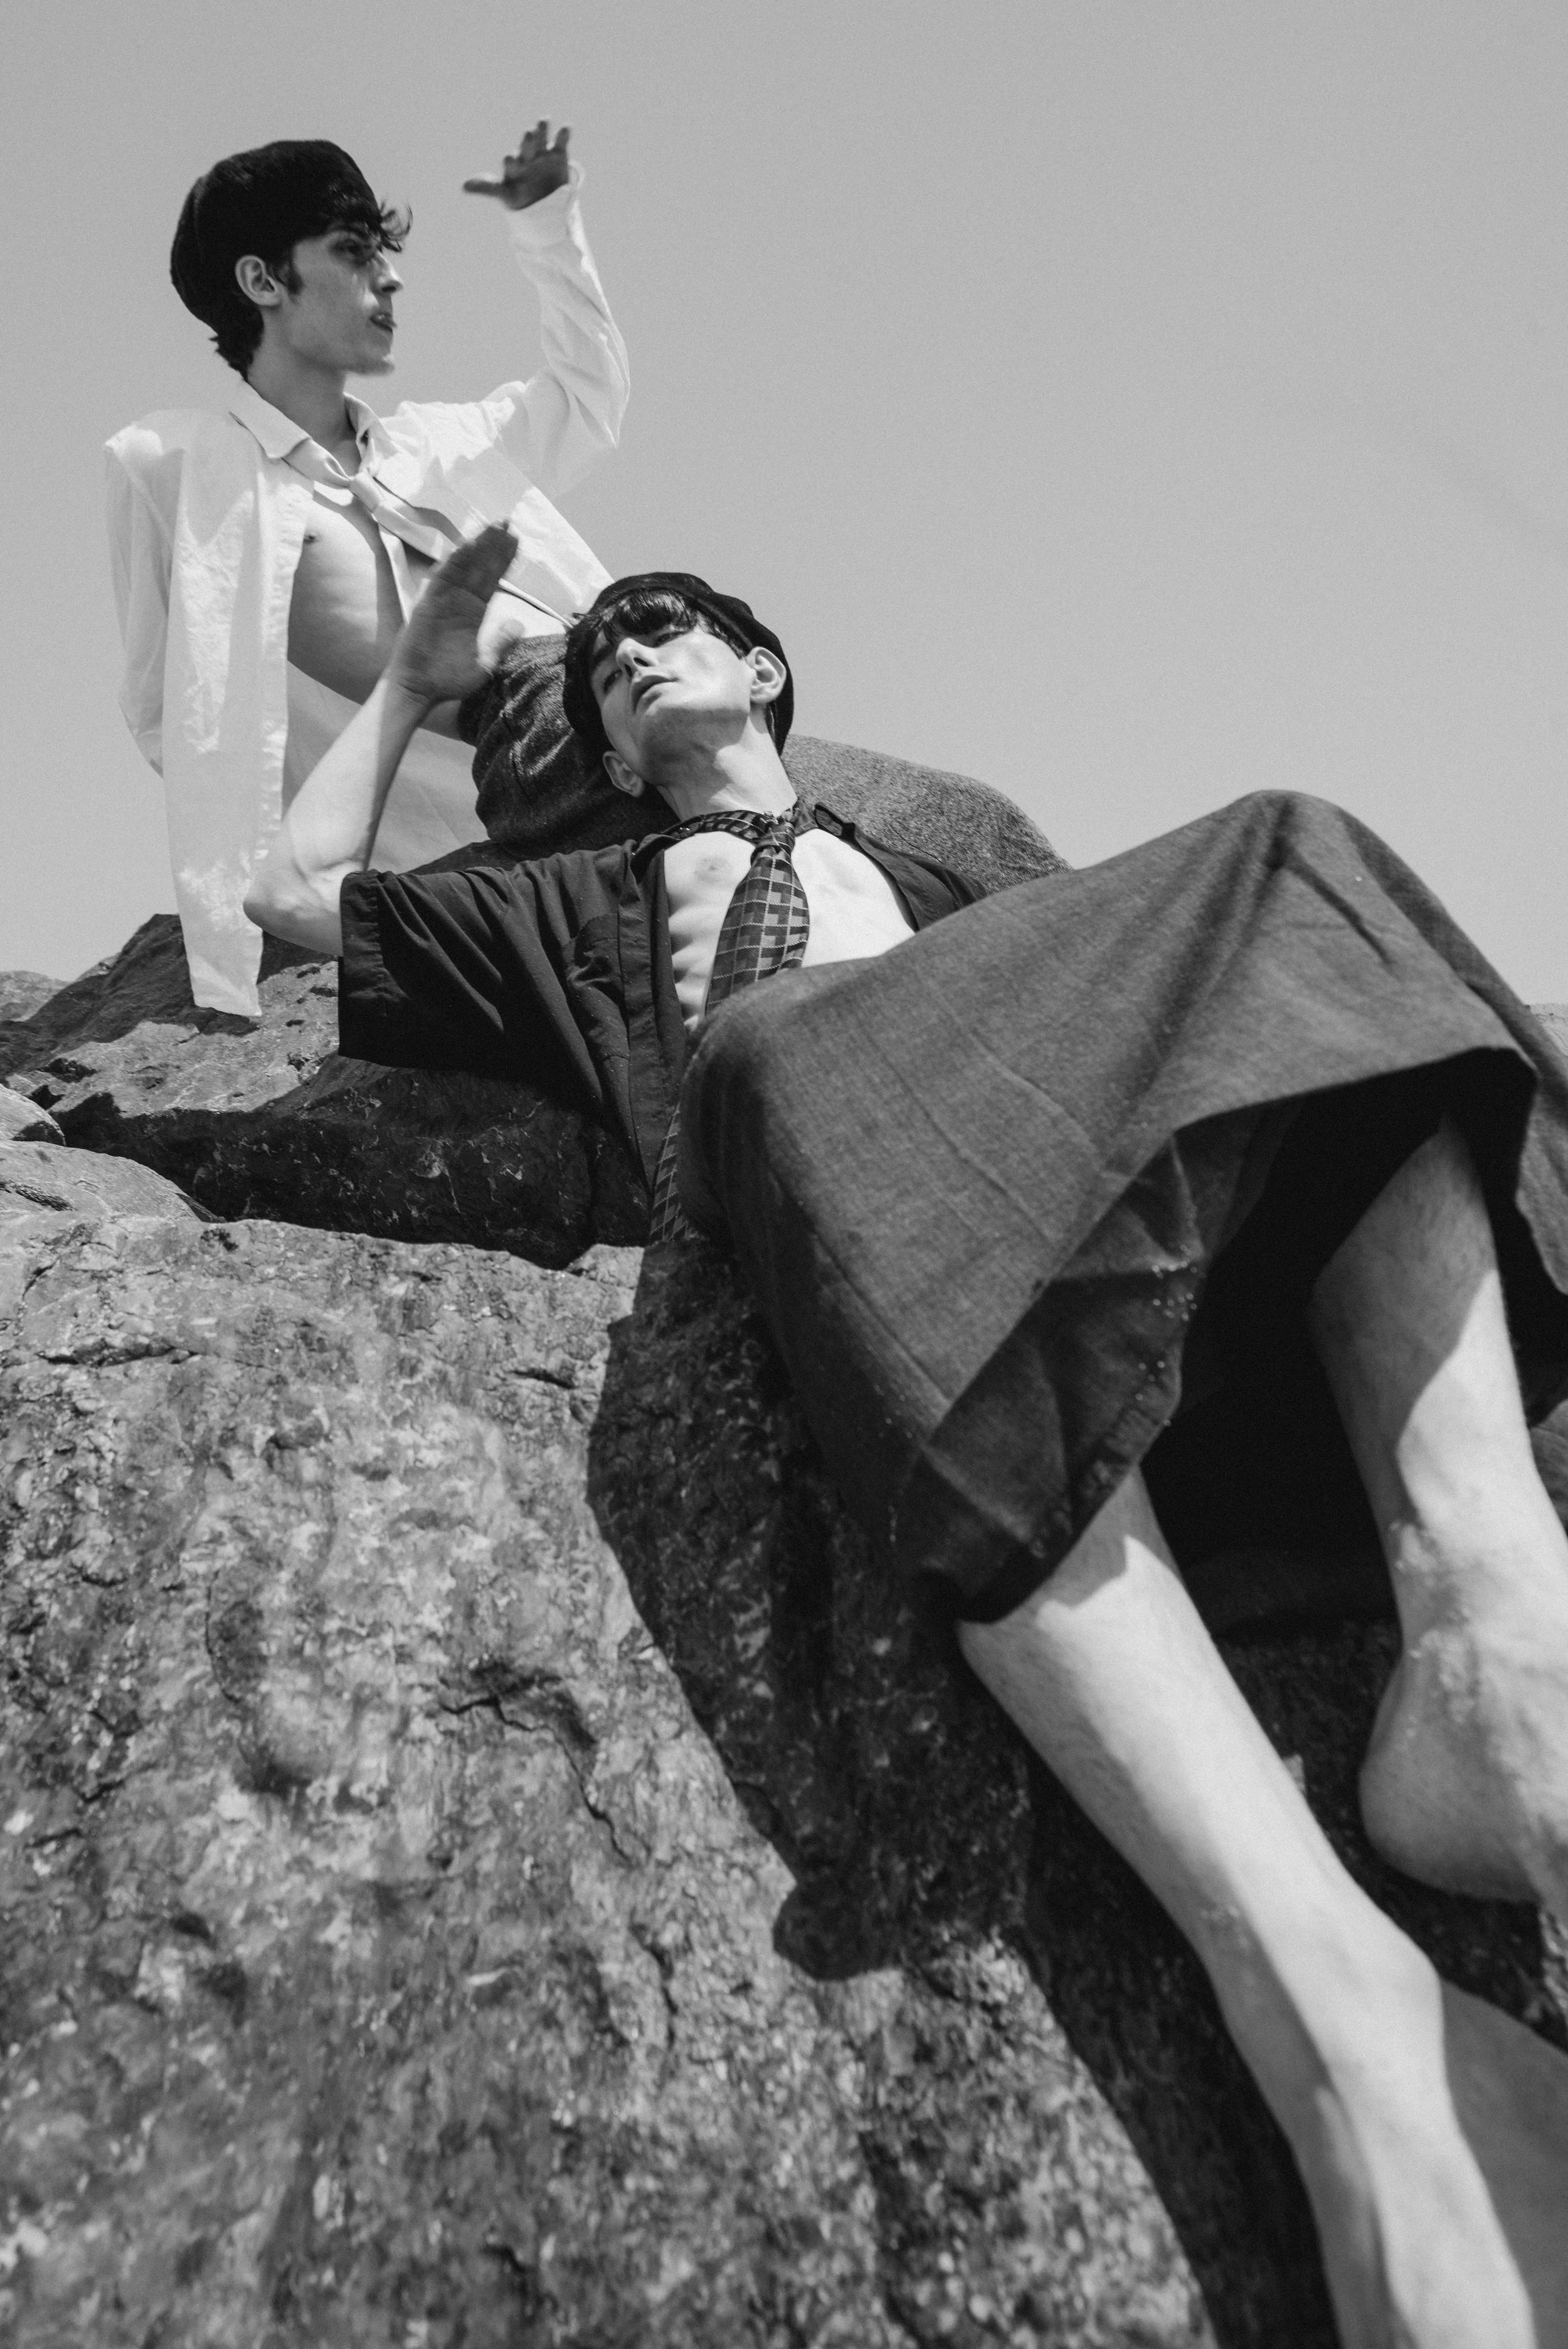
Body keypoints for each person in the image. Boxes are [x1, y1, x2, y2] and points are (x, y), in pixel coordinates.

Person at [245, 528, 1568, 2349]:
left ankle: (1497, 1644)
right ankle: (1343, 2027)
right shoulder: (567, 898)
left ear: (769, 677)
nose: (629, 648)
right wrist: (406, 679)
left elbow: (1193, 1014)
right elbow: (285, 895)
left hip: (1112, 1221)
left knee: (1290, 850)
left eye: (669, 624)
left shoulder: (950, 863)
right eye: (604, 660)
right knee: (784, 1051)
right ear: (606, 764)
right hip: (878, 1226)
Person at [107, 121, 629, 1019]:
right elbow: (168, 701)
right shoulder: (180, 465)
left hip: (614, 709)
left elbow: (589, 400)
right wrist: (282, 857)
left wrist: (546, 224)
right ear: (262, 280)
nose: (391, 276)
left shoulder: (444, 441)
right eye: (354, 252)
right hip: (467, 832)